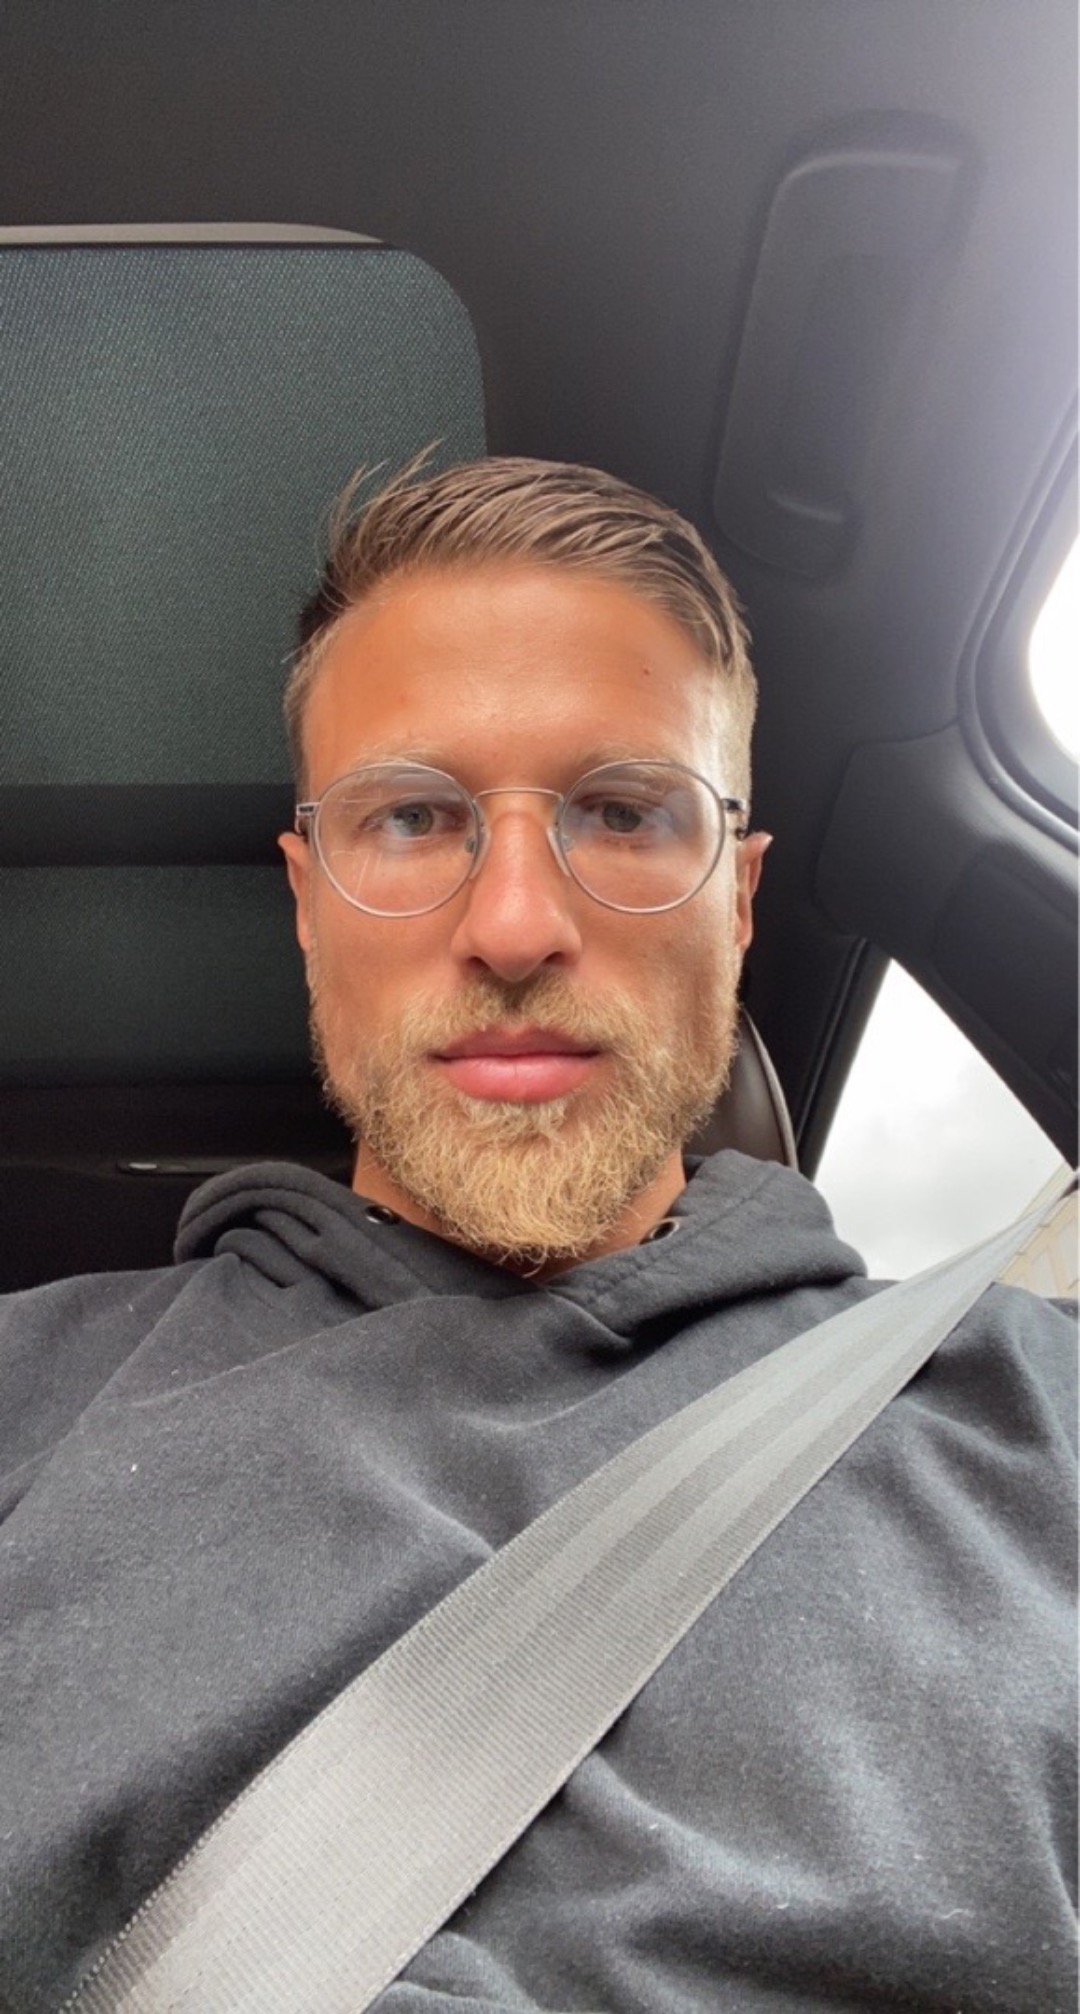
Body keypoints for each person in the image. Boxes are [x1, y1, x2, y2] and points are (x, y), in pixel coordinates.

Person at [0, 457, 1074, 2014]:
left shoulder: (1041, 1418)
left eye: (624, 812)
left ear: (738, 901)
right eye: (412, 815)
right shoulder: (25, 1393)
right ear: (307, 901)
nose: (513, 924)